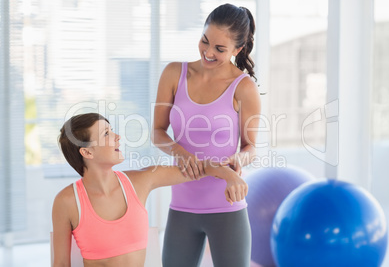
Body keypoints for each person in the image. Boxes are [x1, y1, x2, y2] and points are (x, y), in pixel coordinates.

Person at [52, 113, 247, 267]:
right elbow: (60, 263)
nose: (117, 137)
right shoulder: (67, 201)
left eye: (112, 130)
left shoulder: (139, 181)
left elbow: (198, 168)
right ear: (86, 152)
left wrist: (229, 175)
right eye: (106, 134)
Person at [152, 3, 261, 267]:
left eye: (219, 49)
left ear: (238, 49)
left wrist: (238, 160)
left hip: (226, 203)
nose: (208, 52)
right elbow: (157, 132)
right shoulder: (173, 74)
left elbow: (251, 147)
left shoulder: (244, 87)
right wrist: (180, 152)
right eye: (204, 41)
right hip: (182, 203)